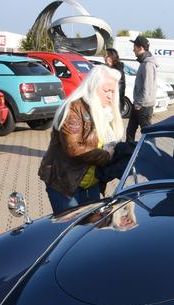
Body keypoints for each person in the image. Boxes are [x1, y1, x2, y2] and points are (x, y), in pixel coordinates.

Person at [37, 66, 125, 215]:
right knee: (70, 230)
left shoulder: (107, 114)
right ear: (92, 86)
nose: (110, 96)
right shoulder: (74, 108)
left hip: (91, 184)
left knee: (90, 231)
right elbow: (74, 148)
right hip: (65, 183)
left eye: (113, 91)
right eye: (106, 91)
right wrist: (107, 156)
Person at [126, 35, 156, 142]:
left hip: (143, 106)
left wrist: (138, 104)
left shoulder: (147, 64)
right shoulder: (143, 62)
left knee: (148, 135)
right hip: (138, 104)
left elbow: (147, 87)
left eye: (134, 46)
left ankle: (153, 155)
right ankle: (128, 154)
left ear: (140, 48)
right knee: (130, 131)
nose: (133, 49)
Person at [104, 48, 127, 114]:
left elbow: (118, 88)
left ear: (110, 57)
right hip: (110, 103)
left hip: (115, 104)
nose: (104, 58)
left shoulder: (117, 70)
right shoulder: (109, 68)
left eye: (105, 55)